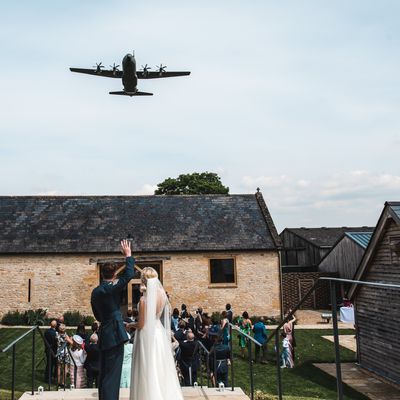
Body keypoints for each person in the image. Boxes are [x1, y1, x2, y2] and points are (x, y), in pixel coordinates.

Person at [91, 240, 137, 400]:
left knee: (104, 372)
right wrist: (128, 255)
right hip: (115, 334)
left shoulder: (96, 292)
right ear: (114, 274)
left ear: (102, 274)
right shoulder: (113, 288)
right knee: (113, 373)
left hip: (104, 332)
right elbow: (130, 274)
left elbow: (97, 315)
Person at [128, 267, 184, 400]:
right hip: (158, 331)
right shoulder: (163, 295)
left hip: (146, 333)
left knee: (147, 366)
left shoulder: (144, 300)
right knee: (160, 365)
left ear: (144, 280)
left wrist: (130, 324)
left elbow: (141, 324)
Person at [55, 323, 72, 388]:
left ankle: (58, 382)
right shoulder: (65, 335)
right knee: (65, 367)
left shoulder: (56, 334)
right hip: (65, 352)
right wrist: (70, 338)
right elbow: (72, 343)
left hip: (59, 352)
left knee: (59, 367)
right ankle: (63, 382)